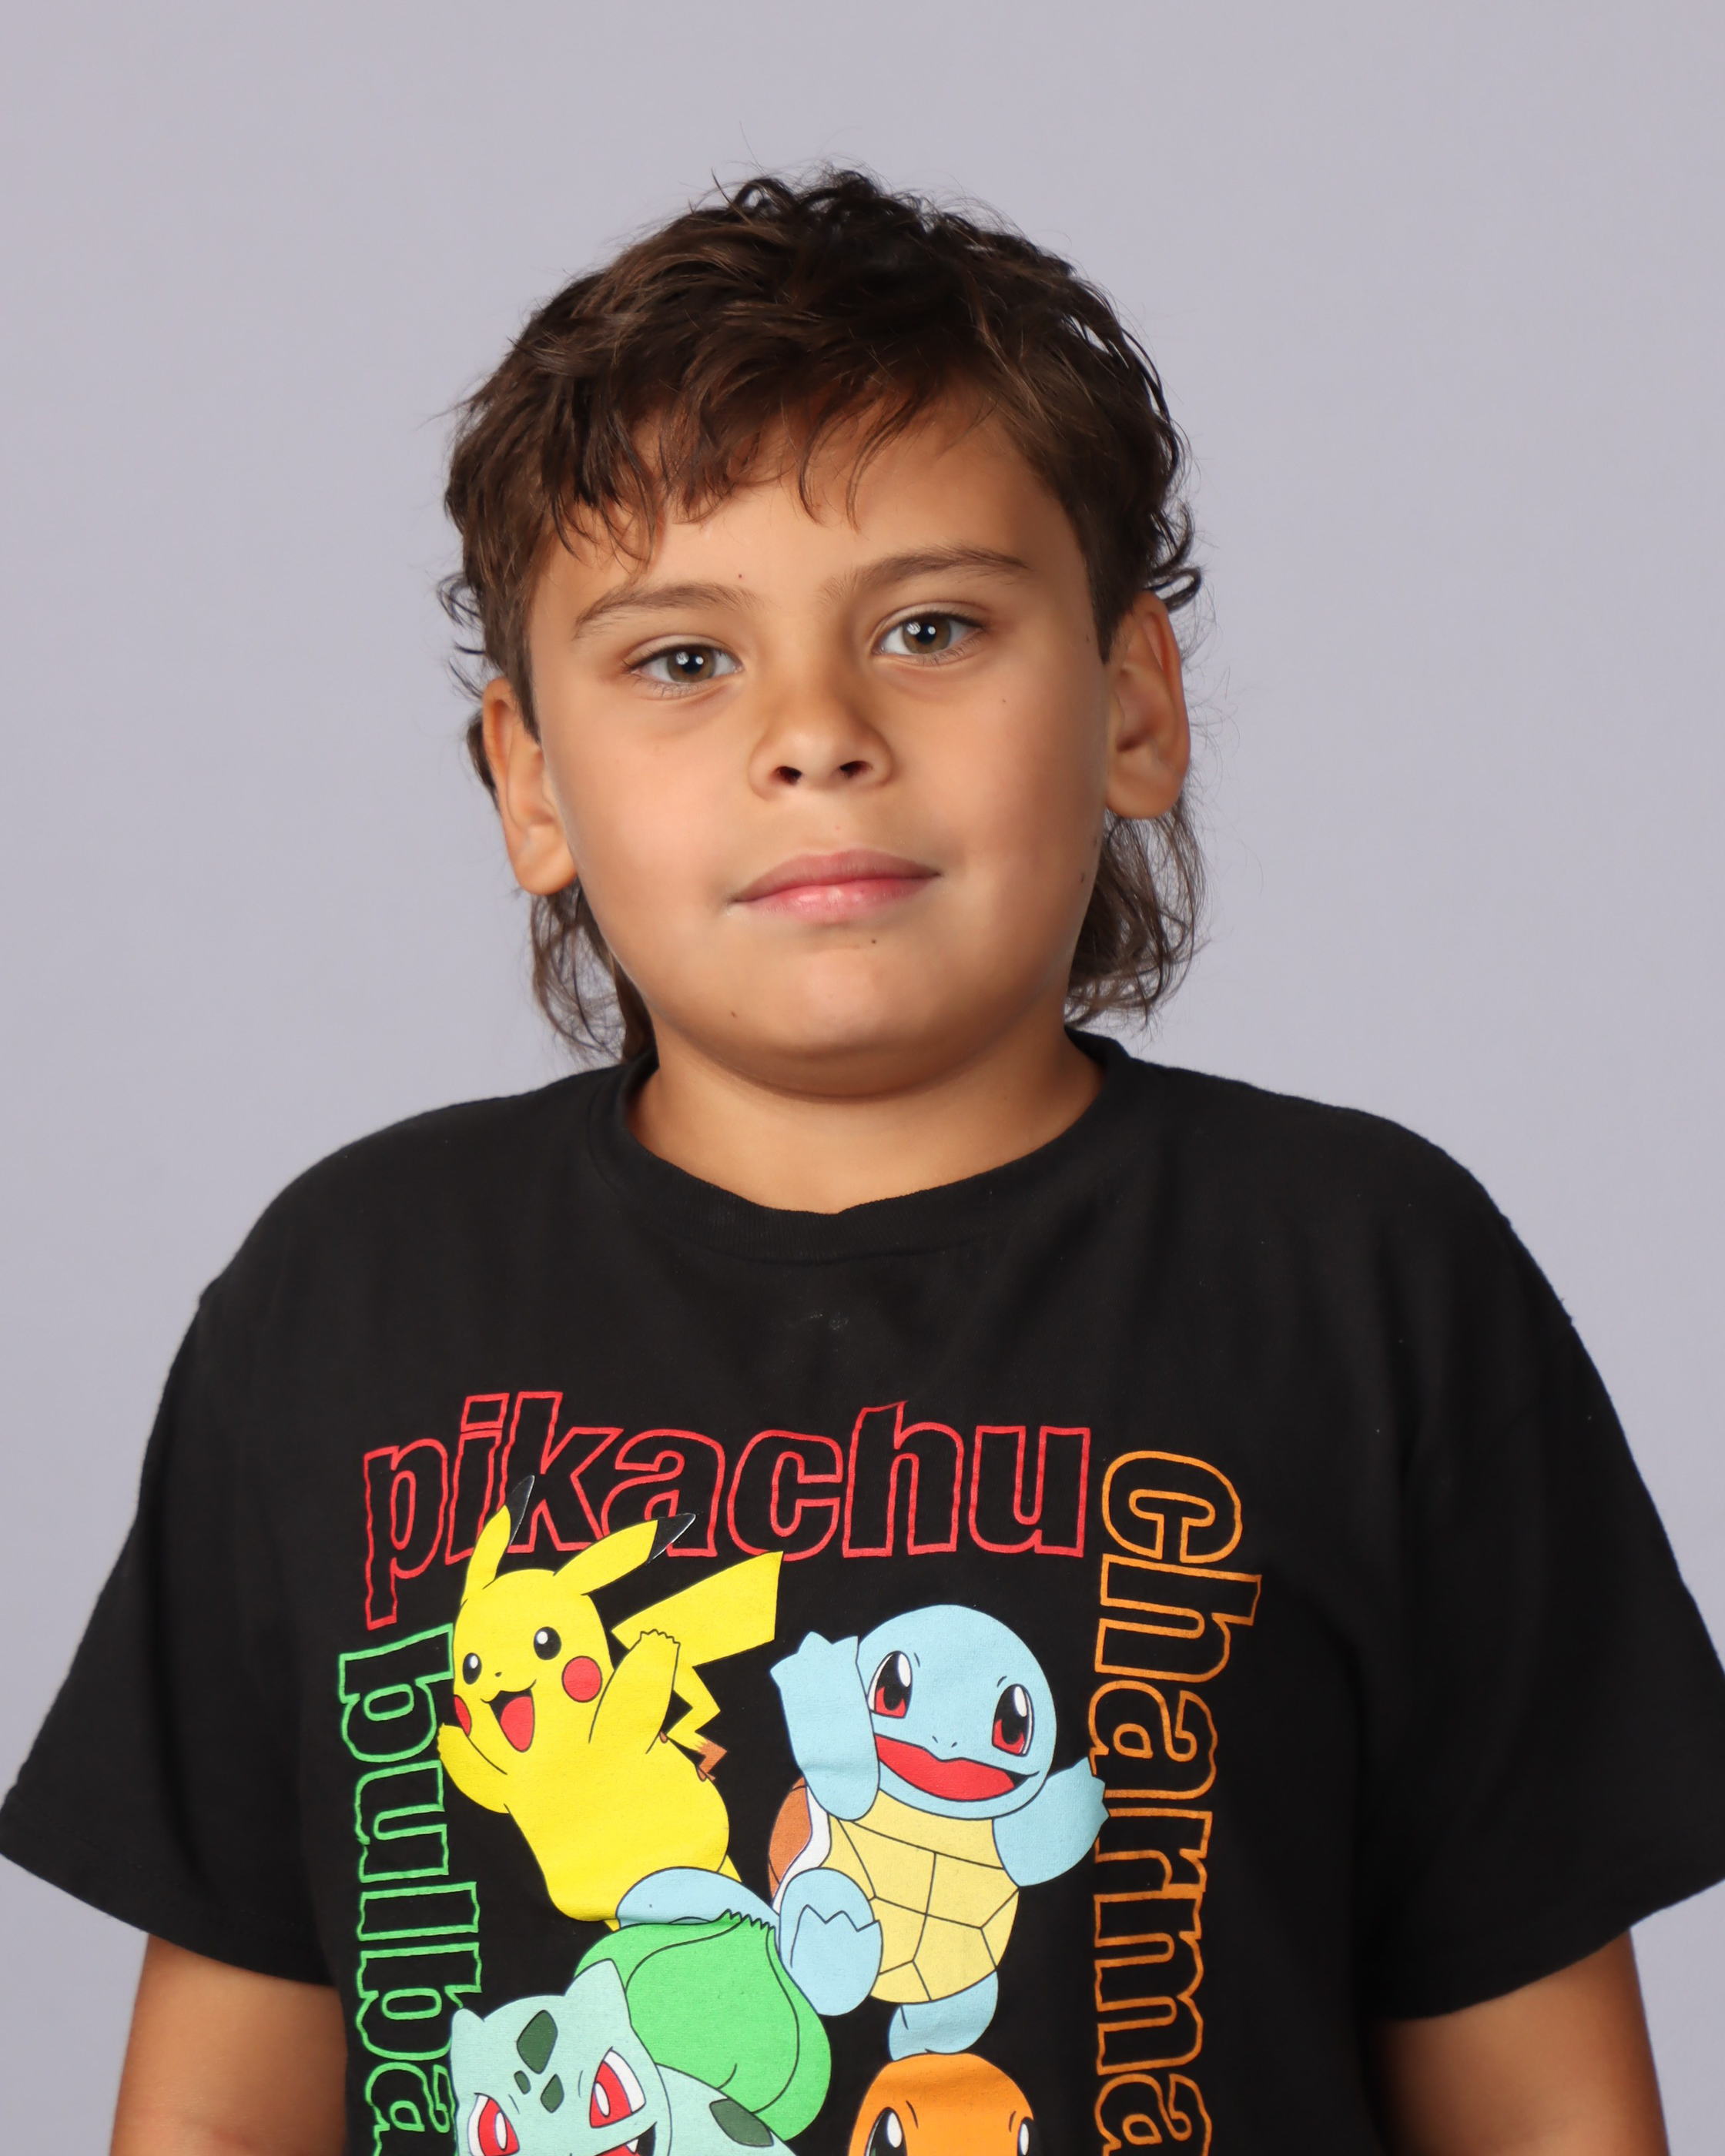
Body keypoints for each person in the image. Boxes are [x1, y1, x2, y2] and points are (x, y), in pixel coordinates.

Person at [4, 169, 1722, 2156]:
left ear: (1133, 702)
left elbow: (1547, 2109)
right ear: (531, 782)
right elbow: (218, 2104)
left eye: (930, 626)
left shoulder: (1367, 1279)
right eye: (682, 660)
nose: (814, 735)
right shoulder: (340, 1301)